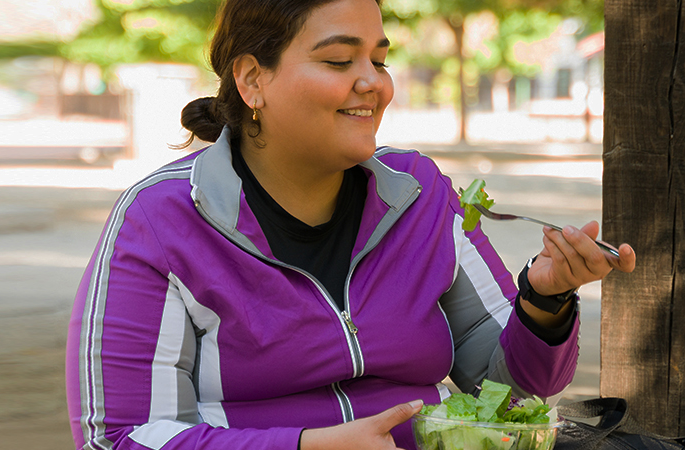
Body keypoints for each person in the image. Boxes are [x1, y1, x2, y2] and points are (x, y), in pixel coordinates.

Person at [64, 0, 638, 448]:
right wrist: (304, 446)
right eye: (340, 60)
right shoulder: (161, 220)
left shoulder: (420, 194)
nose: (375, 82)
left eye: (379, 59)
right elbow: (122, 437)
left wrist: (545, 299)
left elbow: (508, 401)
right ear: (252, 80)